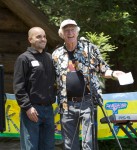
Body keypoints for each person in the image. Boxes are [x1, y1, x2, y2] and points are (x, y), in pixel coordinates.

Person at [52, 19, 125, 150]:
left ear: (77, 32)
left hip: (87, 102)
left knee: (89, 144)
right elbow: (51, 79)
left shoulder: (89, 48)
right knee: (69, 145)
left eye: (72, 29)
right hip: (66, 104)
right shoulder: (56, 55)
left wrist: (114, 74)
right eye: (66, 30)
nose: (70, 33)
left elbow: (102, 69)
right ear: (62, 34)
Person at [13, 27, 56, 150]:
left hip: (48, 110)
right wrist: (27, 107)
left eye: (44, 36)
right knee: (30, 147)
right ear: (30, 39)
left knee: (48, 147)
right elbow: (18, 86)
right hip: (32, 110)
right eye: (38, 37)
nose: (43, 39)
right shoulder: (24, 59)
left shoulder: (49, 58)